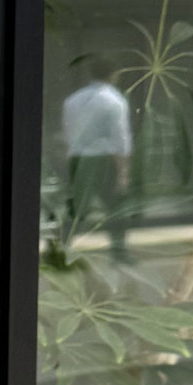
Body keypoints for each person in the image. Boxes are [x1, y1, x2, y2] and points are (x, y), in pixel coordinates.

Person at [61, 55, 134, 259]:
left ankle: (64, 248)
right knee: (115, 208)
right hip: (105, 160)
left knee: (76, 207)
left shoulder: (73, 100)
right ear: (113, 74)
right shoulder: (114, 101)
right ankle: (119, 251)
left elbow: (68, 132)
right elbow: (120, 139)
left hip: (78, 158)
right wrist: (123, 171)